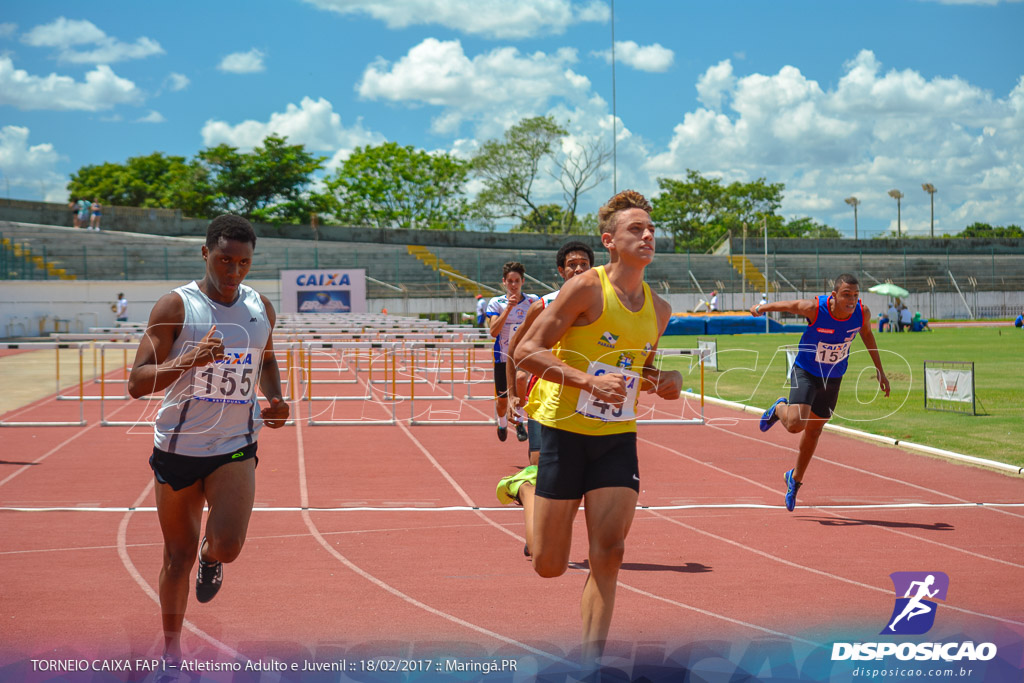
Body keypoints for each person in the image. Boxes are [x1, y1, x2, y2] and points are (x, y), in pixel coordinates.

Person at [502, 190, 682, 666]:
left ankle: (590, 665)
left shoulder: (659, 309)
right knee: (549, 566)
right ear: (609, 240)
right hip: (564, 432)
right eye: (635, 230)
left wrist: (663, 381)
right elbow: (527, 351)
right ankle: (525, 487)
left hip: (617, 439)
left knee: (611, 551)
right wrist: (586, 379)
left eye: (651, 230)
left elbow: (638, 370)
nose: (647, 236)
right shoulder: (585, 288)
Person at [127, 215, 289, 668]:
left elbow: (268, 359)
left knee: (229, 545)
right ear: (205, 254)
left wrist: (275, 398)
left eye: (243, 262)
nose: (233, 271)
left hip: (235, 445)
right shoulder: (176, 307)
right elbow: (137, 382)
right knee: (176, 559)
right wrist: (188, 361)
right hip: (179, 449)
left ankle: (211, 556)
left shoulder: (260, 307)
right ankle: (172, 654)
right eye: (224, 260)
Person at [754, 273, 890, 511]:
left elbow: (867, 334)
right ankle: (779, 408)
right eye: (846, 295)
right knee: (797, 424)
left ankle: (794, 479)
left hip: (833, 377)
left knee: (814, 432)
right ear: (834, 295)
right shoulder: (816, 309)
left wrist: (880, 369)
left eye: (855, 295)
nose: (851, 300)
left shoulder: (861, 313)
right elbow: (791, 306)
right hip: (805, 370)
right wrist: (762, 308)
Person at [504, 240, 595, 470]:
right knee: (539, 463)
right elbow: (514, 348)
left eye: (584, 264)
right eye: (572, 264)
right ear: (561, 271)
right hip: (544, 396)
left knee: (585, 464)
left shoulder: (601, 304)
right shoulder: (544, 305)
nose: (578, 269)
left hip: (585, 394)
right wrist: (513, 393)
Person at [486, 262, 540, 442]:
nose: (514, 285)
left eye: (517, 281)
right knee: (502, 401)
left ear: (523, 281)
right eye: (510, 281)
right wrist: (509, 308)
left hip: (524, 356)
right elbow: (493, 331)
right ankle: (502, 423)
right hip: (503, 357)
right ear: (504, 282)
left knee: (521, 382)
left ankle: (519, 423)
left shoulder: (532, 301)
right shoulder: (497, 303)